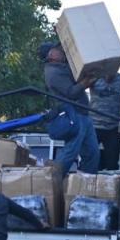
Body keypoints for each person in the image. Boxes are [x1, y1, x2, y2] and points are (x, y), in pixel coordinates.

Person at [39, 42, 100, 174]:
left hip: (83, 114)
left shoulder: (61, 67)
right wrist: (85, 83)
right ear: (51, 54)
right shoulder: (53, 73)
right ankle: (53, 179)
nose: (61, 51)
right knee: (70, 152)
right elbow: (71, 93)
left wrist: (87, 79)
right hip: (74, 114)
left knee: (92, 153)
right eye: (57, 49)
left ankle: (86, 183)